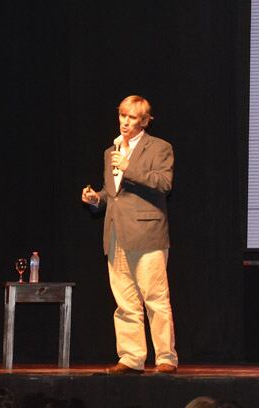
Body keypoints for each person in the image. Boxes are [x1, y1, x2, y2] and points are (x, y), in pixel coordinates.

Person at [81, 95, 178, 374]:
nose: (125, 122)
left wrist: (128, 167)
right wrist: (95, 199)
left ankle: (165, 358)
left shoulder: (160, 147)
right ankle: (131, 357)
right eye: (122, 115)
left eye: (132, 117)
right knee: (124, 301)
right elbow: (113, 193)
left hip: (147, 232)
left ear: (145, 121)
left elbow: (164, 183)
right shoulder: (110, 150)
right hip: (115, 233)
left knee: (155, 298)